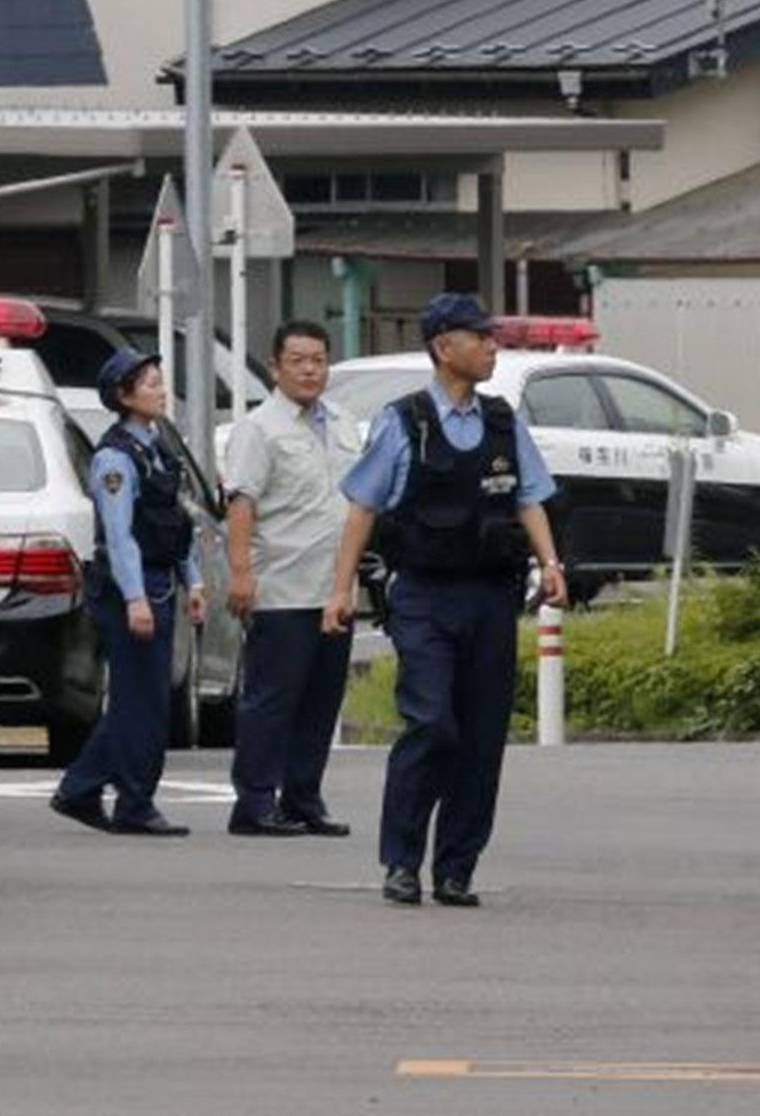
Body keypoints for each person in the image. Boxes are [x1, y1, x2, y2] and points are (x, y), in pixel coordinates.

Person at [325, 293, 564, 908]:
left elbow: (529, 496)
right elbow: (364, 505)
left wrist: (550, 562)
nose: (492, 347)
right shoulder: (403, 422)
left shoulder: (504, 420)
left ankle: (456, 868)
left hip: (489, 598)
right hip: (424, 597)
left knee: (481, 738)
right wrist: (340, 589)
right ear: (443, 346)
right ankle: (401, 860)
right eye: (479, 336)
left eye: (492, 337)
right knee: (432, 723)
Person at [52, 347, 206, 837]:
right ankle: (122, 797)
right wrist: (136, 598)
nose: (161, 391)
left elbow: (174, 521)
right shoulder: (115, 458)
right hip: (130, 592)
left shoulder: (159, 446)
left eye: (160, 382)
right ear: (123, 396)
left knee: (147, 700)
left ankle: (93, 790)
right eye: (151, 384)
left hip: (160, 582)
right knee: (140, 702)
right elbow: (119, 537)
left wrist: (194, 579)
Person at [223, 320, 364, 838]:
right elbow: (242, 503)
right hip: (281, 585)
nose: (310, 369)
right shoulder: (258, 429)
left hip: (334, 588)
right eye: (299, 360)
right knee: (272, 698)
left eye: (319, 360)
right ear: (277, 366)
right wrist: (241, 574)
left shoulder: (345, 423)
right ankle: (255, 801)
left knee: (321, 700)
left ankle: (304, 796)